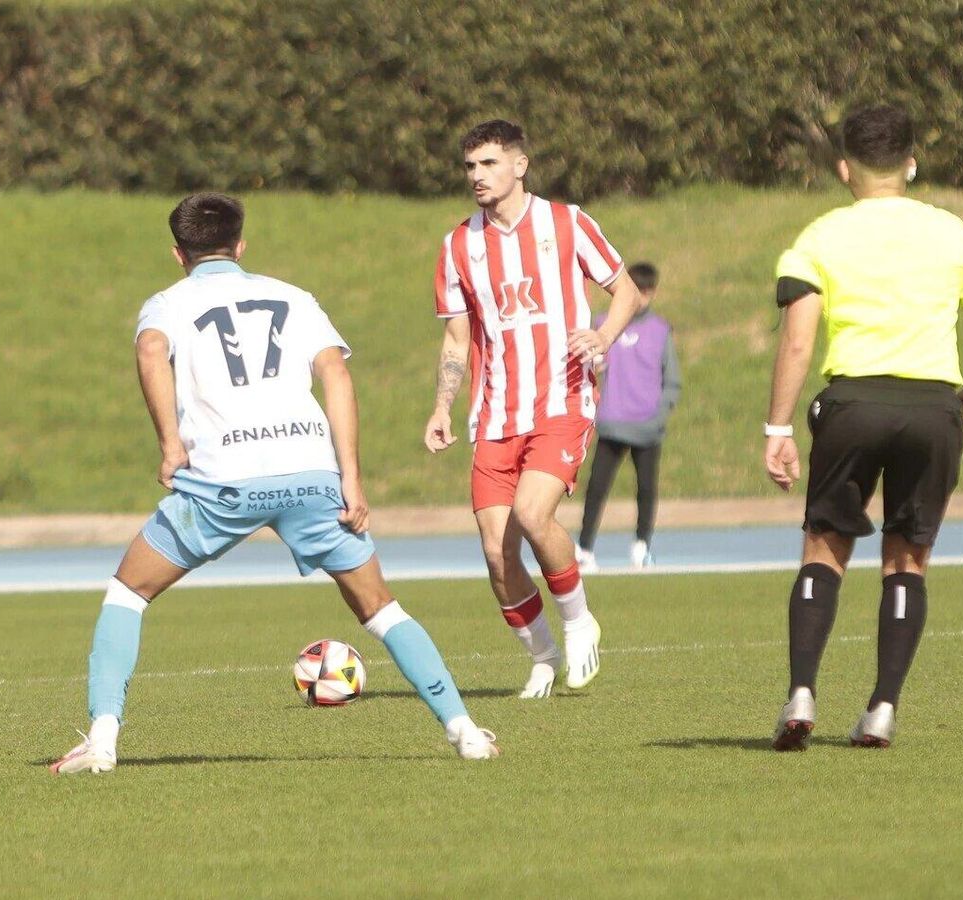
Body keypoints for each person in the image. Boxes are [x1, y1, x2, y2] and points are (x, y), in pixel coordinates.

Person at [51, 193, 498, 774]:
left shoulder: (166, 304)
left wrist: (171, 444)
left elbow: (151, 350)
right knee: (380, 607)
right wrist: (350, 479)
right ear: (240, 246)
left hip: (223, 483)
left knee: (128, 593)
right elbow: (336, 373)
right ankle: (465, 732)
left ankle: (102, 741)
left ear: (178, 254)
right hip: (310, 476)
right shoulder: (294, 297)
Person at [762, 106, 963, 751]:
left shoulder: (819, 236)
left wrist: (777, 427)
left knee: (824, 549)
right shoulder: (951, 232)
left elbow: (797, 342)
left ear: (845, 168)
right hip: (933, 410)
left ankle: (801, 693)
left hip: (852, 405)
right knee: (907, 559)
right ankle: (881, 709)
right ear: (911, 164)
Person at [425, 119, 645, 699]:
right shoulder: (458, 246)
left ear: (519, 165)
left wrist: (603, 336)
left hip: (562, 401)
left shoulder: (567, 222)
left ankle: (578, 619)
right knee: (497, 556)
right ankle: (543, 657)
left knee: (531, 512)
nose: (477, 175)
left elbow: (626, 290)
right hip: (495, 415)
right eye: (470, 166)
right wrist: (442, 406)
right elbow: (456, 339)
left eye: (489, 163)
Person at [575, 262, 682, 569]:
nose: (642, 298)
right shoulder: (602, 324)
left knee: (646, 489)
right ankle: (584, 549)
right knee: (596, 488)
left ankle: (641, 546)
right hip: (611, 423)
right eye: (637, 290)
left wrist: (659, 416)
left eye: (647, 292)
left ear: (653, 292)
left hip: (647, 426)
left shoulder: (660, 330)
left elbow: (672, 380)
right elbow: (586, 369)